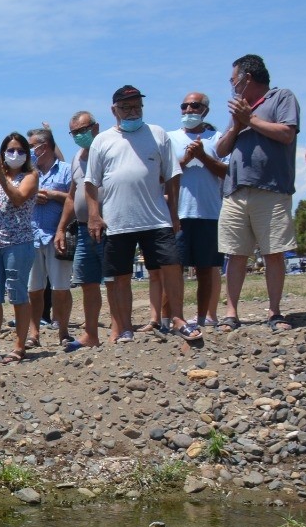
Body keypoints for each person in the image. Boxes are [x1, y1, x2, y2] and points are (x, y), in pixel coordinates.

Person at [85, 85, 188, 342]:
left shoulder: (158, 134)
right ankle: (125, 328)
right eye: (126, 107)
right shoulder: (102, 141)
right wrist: (94, 215)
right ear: (114, 110)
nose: (133, 112)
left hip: (156, 219)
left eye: (137, 107)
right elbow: (90, 183)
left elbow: (173, 175)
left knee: (172, 265)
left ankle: (178, 318)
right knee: (121, 276)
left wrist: (174, 213)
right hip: (118, 221)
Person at [216, 55, 300, 331]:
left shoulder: (281, 97)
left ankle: (275, 312)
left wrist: (249, 119)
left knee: (273, 252)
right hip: (236, 191)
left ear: (247, 78)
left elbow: (286, 133)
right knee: (235, 253)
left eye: (233, 80)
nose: (232, 85)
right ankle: (231, 313)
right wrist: (238, 124)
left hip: (271, 189)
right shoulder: (240, 111)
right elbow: (221, 149)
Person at [167, 93, 230, 328]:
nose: (188, 110)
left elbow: (227, 173)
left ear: (205, 110)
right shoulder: (170, 138)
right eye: (184, 106)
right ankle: (172, 318)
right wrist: (185, 160)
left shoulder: (218, 139)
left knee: (206, 269)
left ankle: (203, 318)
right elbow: (164, 174)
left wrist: (203, 156)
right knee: (174, 270)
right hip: (179, 214)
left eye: (194, 105)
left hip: (209, 213)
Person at [0, 133, 41, 362]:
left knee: (17, 294)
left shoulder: (31, 176)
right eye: (10, 150)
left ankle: (19, 345)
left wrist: (0, 175)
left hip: (19, 243)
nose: (15, 154)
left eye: (20, 150)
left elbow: (18, 198)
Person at [54, 112, 105, 350]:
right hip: (84, 229)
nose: (79, 136)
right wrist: (61, 228)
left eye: (83, 130)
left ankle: (119, 330)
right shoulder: (76, 158)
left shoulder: (106, 151)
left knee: (115, 280)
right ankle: (91, 334)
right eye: (74, 132)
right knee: (87, 282)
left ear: (95, 127)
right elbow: (72, 197)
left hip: (108, 226)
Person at [26, 126, 73, 346]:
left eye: (31, 146)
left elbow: (75, 199)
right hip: (31, 237)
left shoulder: (66, 170)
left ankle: (63, 332)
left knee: (60, 289)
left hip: (57, 236)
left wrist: (54, 195)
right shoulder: (28, 173)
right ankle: (33, 334)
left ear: (43, 147)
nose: (28, 150)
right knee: (33, 290)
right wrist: (32, 196)